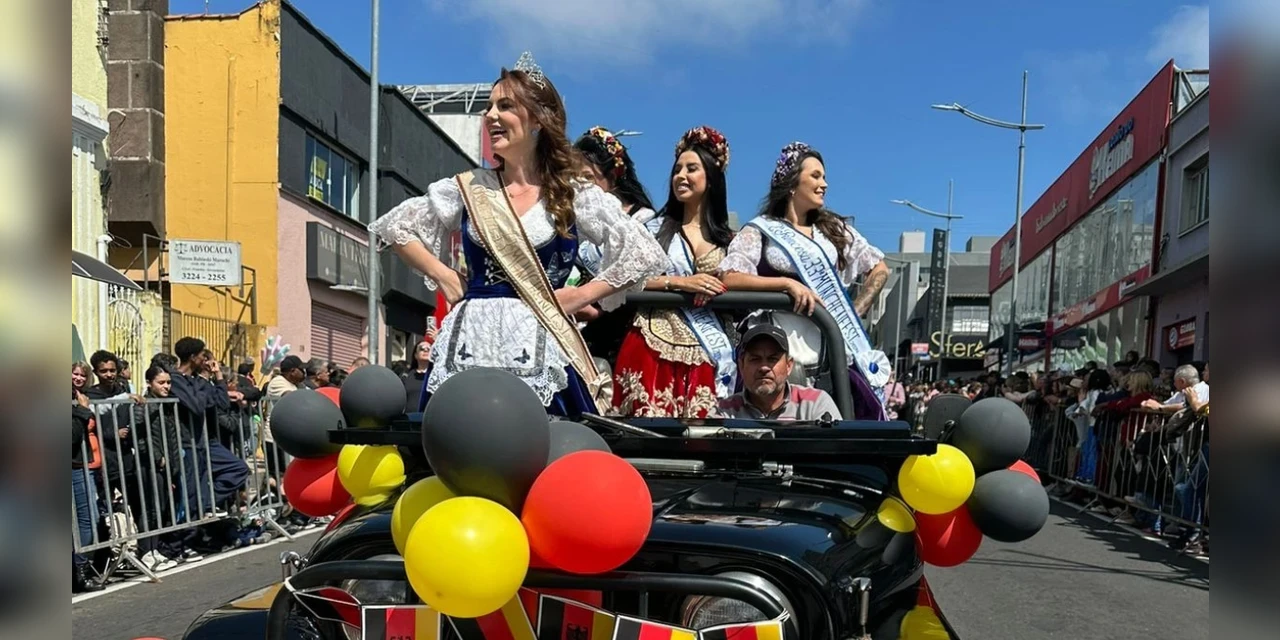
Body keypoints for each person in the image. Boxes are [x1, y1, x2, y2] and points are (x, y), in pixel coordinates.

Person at [369, 52, 666, 416]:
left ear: (539, 120)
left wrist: (582, 294)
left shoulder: (571, 193)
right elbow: (397, 228)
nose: (490, 115)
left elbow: (642, 254)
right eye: (489, 106)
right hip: (470, 340)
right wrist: (443, 273)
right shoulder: (468, 188)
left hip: (540, 342)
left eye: (505, 106)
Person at [718, 142, 891, 420]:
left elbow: (880, 269)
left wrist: (854, 311)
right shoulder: (761, 231)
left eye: (823, 177)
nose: (824, 184)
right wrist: (785, 286)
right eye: (816, 176)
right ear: (792, 183)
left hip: (829, 357)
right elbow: (729, 276)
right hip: (775, 351)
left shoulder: (833, 230)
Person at [612, 126, 736, 418]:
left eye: (691, 169)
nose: (681, 175)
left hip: (709, 351)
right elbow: (622, 279)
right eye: (677, 169)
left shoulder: (730, 241)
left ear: (712, 178)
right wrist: (680, 283)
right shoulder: (653, 230)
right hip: (651, 345)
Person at [574, 126, 659, 362]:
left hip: (622, 336)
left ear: (612, 178)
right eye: (573, 177)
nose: (580, 186)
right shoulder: (567, 220)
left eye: (588, 178)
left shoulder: (643, 222)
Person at [718, 323, 842, 421]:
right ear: (741, 366)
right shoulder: (724, 411)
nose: (764, 367)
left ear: (789, 366)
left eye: (773, 359)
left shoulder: (816, 403)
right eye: (755, 359)